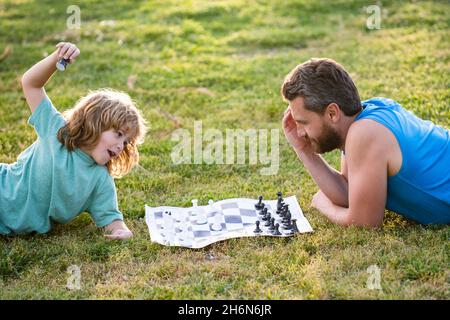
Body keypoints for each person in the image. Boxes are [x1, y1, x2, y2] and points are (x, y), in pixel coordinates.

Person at [0, 42, 147, 239]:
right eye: (118, 134)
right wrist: (56, 58)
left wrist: (123, 232)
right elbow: (31, 84)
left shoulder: (100, 179)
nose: (121, 145)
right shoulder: (56, 131)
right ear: (95, 122)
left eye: (127, 141)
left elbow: (111, 218)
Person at [281, 58, 450, 226]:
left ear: (332, 113)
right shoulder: (365, 117)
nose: (300, 132)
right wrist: (303, 149)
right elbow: (348, 193)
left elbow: (364, 222)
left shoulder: (365, 133)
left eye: (303, 122)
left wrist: (323, 205)